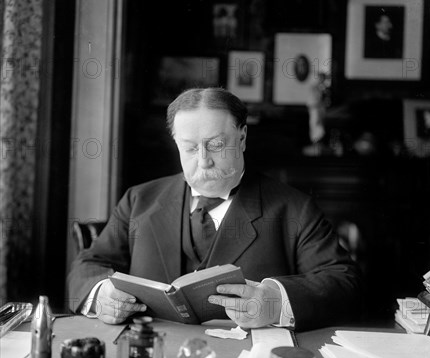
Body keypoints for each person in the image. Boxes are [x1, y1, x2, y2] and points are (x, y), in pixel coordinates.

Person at [68, 87, 361, 330]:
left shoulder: (294, 208)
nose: (204, 160)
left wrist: (275, 303)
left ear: (242, 138)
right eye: (190, 148)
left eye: (217, 145)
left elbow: (343, 283)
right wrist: (100, 294)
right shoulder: (139, 200)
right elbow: (87, 265)